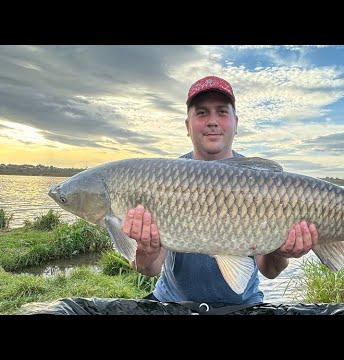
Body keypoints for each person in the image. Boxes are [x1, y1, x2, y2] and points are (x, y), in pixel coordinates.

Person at [121, 76, 319, 307]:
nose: (212, 121)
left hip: (244, 305)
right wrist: (145, 251)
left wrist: (282, 251)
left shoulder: (263, 181)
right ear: (188, 125)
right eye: (202, 113)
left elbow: (270, 271)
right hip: (173, 304)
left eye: (222, 112)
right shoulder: (163, 178)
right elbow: (150, 269)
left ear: (235, 123)